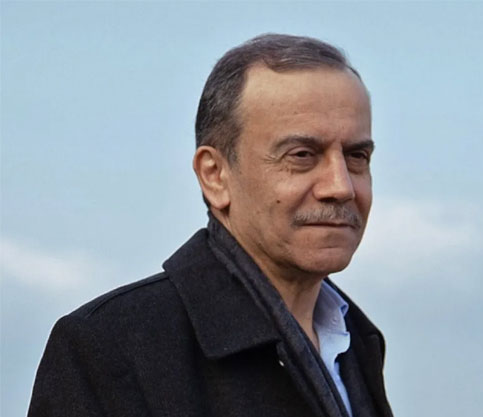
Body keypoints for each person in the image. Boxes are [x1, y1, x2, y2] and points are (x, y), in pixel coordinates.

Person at [28, 34, 393, 417]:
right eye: (302, 155)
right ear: (214, 175)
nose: (340, 186)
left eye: (357, 156)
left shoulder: (356, 340)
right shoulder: (111, 347)